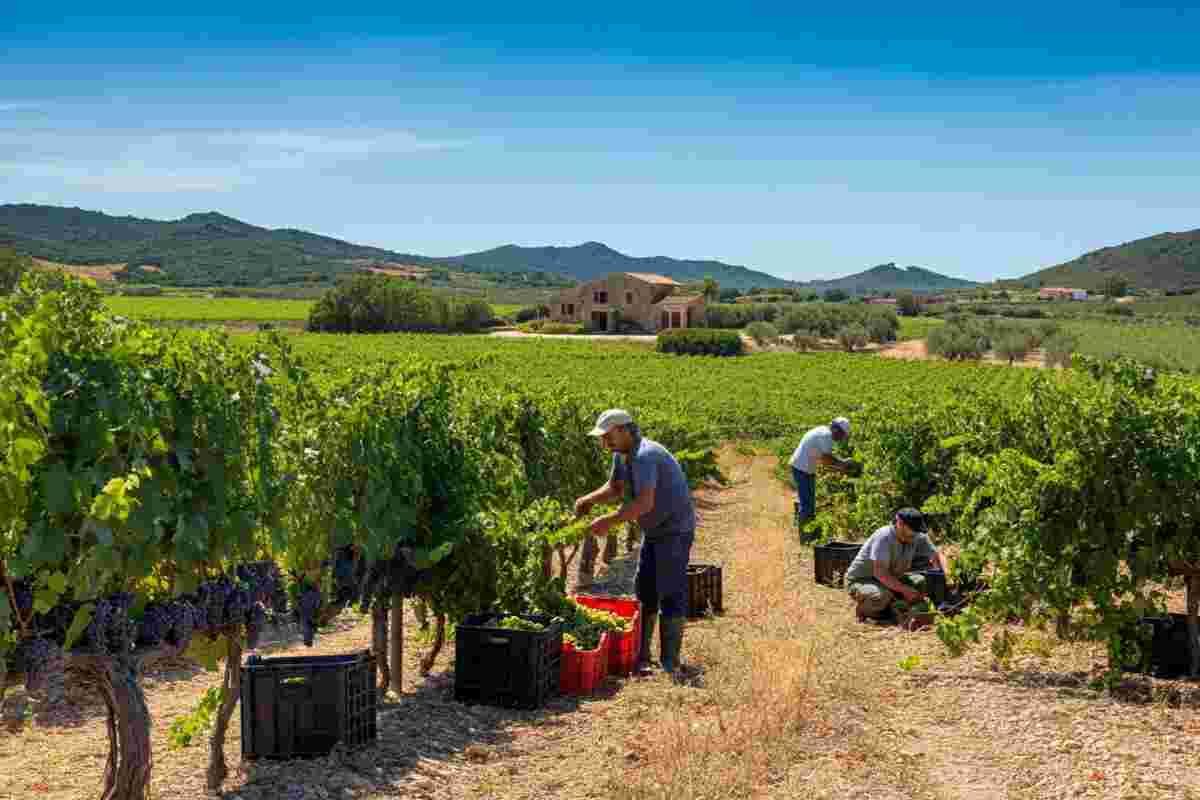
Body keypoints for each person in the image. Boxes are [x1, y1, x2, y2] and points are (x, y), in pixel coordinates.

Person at [575, 409, 696, 675]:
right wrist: (588, 499)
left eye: (608, 437)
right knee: (645, 588)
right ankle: (642, 656)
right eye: (602, 438)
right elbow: (615, 488)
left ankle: (670, 662)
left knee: (671, 589)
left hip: (675, 530)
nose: (604, 443)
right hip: (654, 531)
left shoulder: (645, 456)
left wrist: (608, 521)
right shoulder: (623, 455)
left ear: (624, 430)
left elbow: (644, 503)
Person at [845, 508, 948, 622]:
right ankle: (863, 609)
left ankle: (894, 606)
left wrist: (946, 575)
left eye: (917, 530)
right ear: (900, 524)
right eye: (912, 530)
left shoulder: (916, 535)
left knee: (921, 581)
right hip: (864, 579)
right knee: (881, 597)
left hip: (892, 578)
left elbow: (937, 555)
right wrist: (905, 590)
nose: (915, 534)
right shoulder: (884, 537)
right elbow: (880, 573)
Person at [789, 417, 855, 524]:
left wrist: (839, 467)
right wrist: (843, 463)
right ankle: (805, 534)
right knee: (808, 506)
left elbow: (825, 460)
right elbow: (827, 459)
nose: (841, 439)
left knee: (808, 498)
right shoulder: (826, 436)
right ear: (836, 430)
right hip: (802, 469)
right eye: (842, 435)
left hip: (804, 467)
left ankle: (800, 518)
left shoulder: (822, 430)